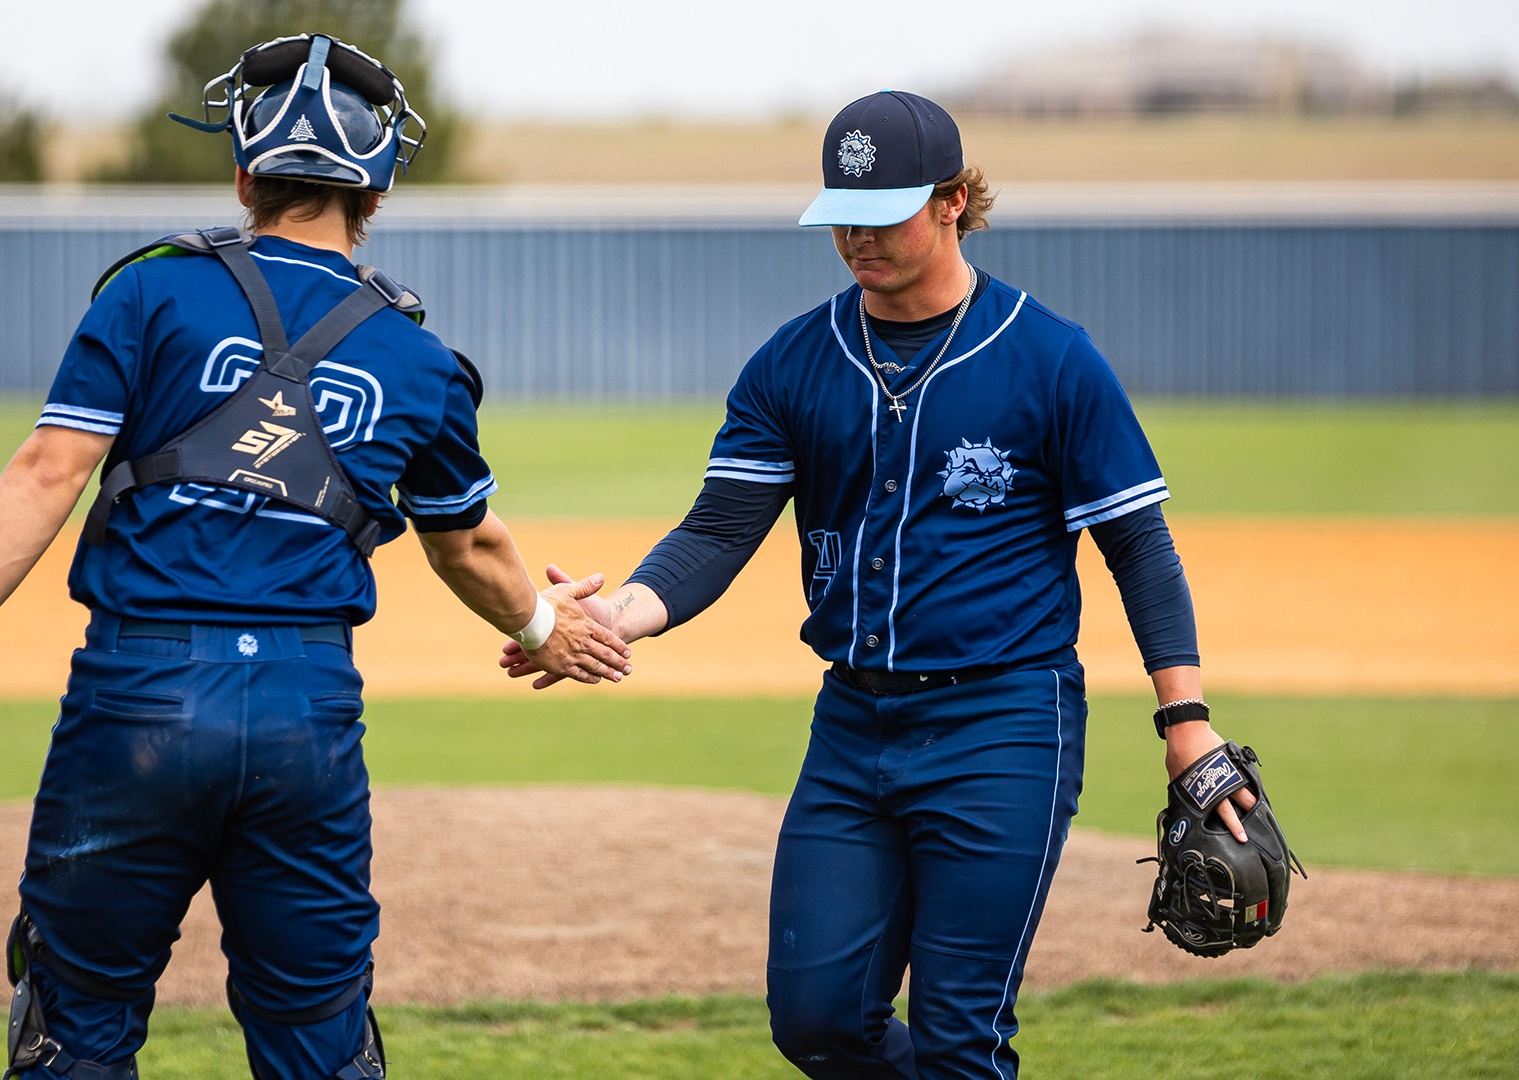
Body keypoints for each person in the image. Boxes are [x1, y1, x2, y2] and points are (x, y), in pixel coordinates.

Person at [0, 34, 630, 1080]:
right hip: (303, 710)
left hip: (138, 695)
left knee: (78, 1018)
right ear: (374, 190)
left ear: (244, 175)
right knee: (318, 1038)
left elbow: (51, 469)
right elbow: (468, 543)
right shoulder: (419, 358)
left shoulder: (149, 294)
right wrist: (550, 631)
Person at [503, 90, 1255, 1079]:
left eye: (884, 210)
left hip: (1006, 725)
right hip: (853, 727)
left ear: (952, 200)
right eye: (842, 215)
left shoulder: (1050, 358)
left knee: (959, 1033)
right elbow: (720, 531)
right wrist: (622, 615)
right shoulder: (795, 362)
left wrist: (1186, 724)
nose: (858, 235)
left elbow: (1140, 549)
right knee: (815, 1020)